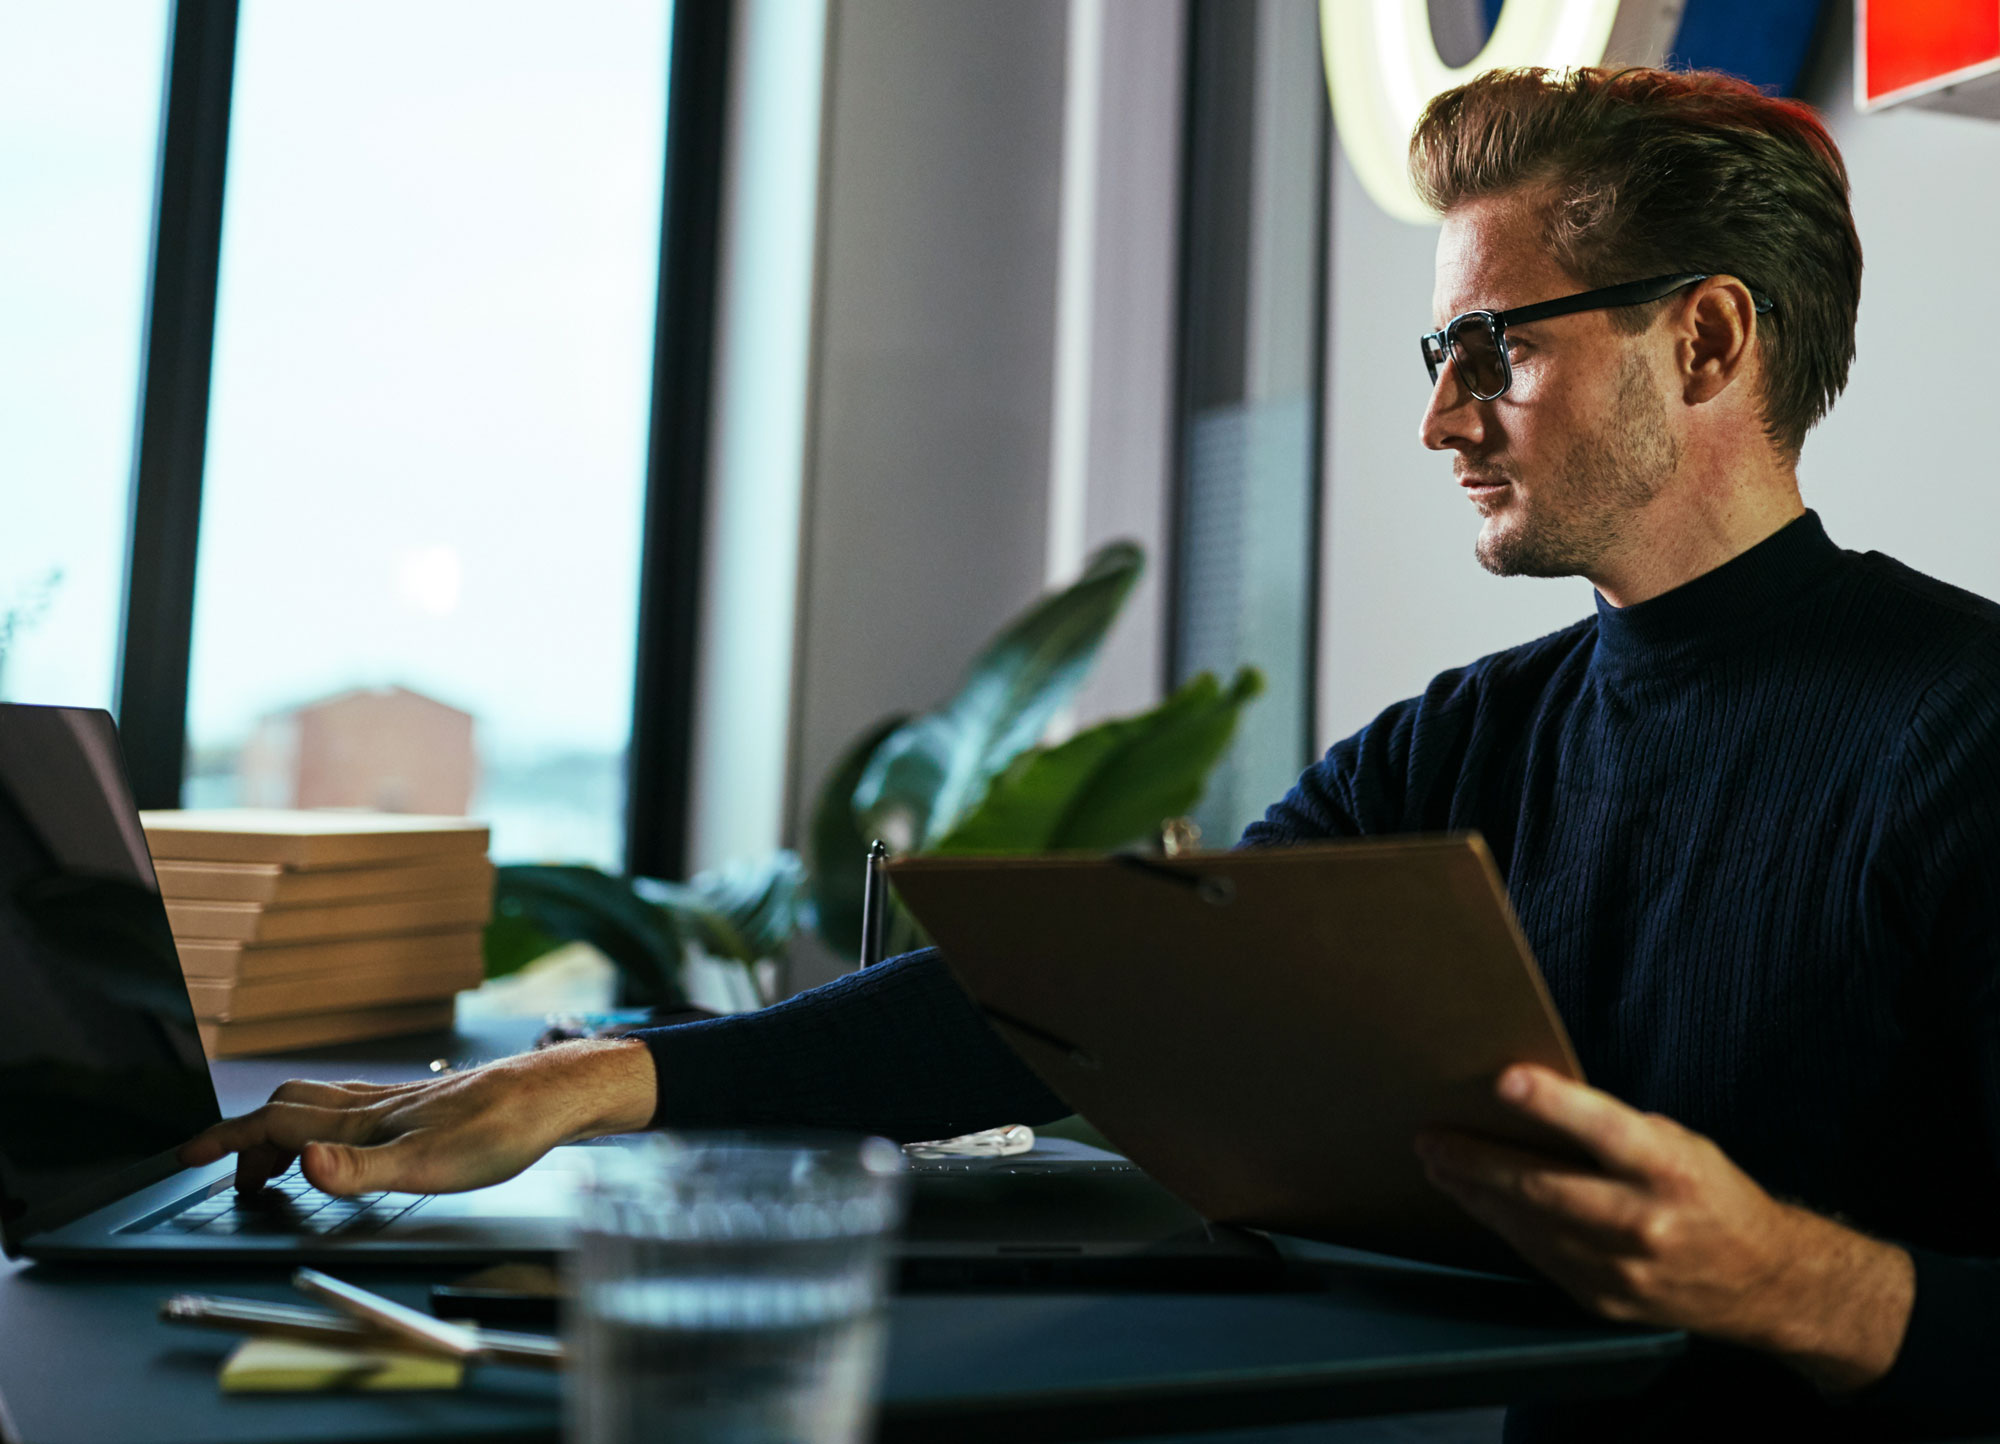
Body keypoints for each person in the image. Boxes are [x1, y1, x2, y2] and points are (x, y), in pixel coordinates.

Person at [180, 67, 2000, 1438]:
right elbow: (1080, 997)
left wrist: (1791, 1278)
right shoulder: (1470, 740)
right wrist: (596, 1083)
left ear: (1707, 339)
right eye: (1435, 351)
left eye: (1487, 348)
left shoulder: (1968, 731)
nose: (1440, 416)